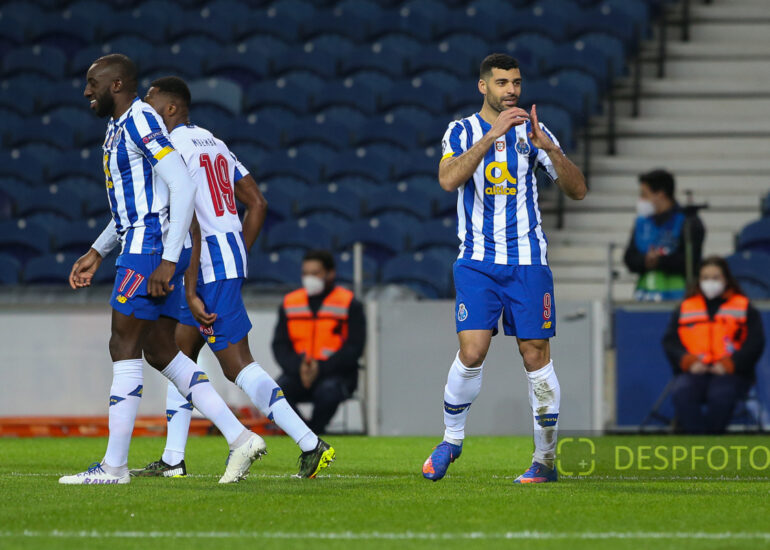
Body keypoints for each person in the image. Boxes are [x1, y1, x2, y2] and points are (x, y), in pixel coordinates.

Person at [61, 55, 265, 485]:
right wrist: (98, 250)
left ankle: (114, 467)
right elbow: (140, 201)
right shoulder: (119, 127)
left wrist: (169, 260)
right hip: (147, 245)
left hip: (149, 250)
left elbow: (182, 185)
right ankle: (240, 436)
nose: (86, 91)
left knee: (123, 344)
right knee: (160, 351)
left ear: (117, 84)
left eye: (93, 83)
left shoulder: (139, 120)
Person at [129, 76, 335, 479]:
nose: (145, 110)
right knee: (178, 355)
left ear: (171, 108)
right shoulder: (215, 143)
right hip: (221, 256)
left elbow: (188, 218)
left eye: (150, 103)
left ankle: (311, 443)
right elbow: (257, 203)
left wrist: (191, 289)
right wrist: (237, 252)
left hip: (203, 262)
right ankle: (173, 459)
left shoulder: (170, 149)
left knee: (236, 364)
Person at [422, 53, 587, 484]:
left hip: (528, 263)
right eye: (502, 83)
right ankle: (451, 440)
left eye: (516, 82)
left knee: (536, 357)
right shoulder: (461, 131)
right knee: (472, 351)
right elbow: (448, 180)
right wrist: (491, 136)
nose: (511, 90)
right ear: (483, 87)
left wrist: (550, 149)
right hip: (477, 262)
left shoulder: (535, 132)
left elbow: (578, 190)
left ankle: (544, 461)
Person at [663, 256, 764, 434]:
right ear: (699, 280)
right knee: (682, 392)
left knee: (721, 395)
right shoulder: (686, 307)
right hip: (695, 371)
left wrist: (729, 364)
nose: (710, 282)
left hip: (732, 373)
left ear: (726, 279)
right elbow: (671, 341)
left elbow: (755, 342)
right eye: (705, 278)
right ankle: (698, 440)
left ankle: (712, 438)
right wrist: (690, 362)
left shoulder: (743, 306)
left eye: (715, 277)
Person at [271, 250, 366, 434]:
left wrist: (320, 368)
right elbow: (280, 345)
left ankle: (312, 433)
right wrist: (299, 367)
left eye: (315, 273)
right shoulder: (290, 302)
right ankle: (305, 432)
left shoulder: (349, 303)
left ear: (331, 273)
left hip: (337, 374)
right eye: (305, 273)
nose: (309, 278)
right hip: (298, 373)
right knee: (275, 394)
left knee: (328, 392)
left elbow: (354, 347)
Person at [624, 169, 705, 301]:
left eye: (644, 195)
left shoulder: (688, 221)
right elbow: (629, 258)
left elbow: (691, 260)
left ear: (660, 195)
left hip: (680, 297)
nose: (641, 200)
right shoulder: (641, 222)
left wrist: (660, 261)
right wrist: (645, 260)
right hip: (645, 296)